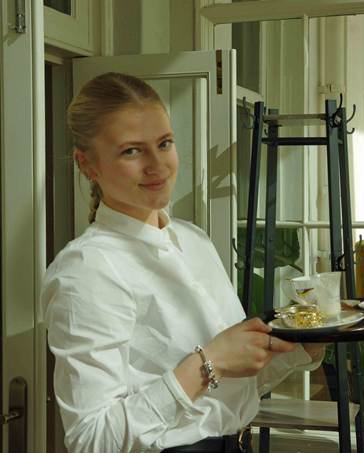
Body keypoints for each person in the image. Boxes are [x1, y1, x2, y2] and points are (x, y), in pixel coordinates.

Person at [41, 72, 325, 453]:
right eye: (131, 150)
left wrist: (303, 342)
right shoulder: (86, 270)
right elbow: (92, 440)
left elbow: (220, 397)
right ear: (87, 165)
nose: (157, 165)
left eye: (164, 143)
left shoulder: (194, 241)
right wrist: (209, 363)